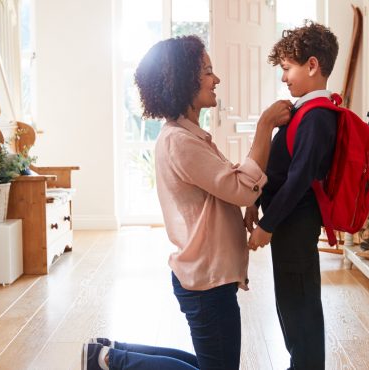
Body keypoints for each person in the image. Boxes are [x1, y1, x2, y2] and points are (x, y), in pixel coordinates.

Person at [82, 35, 292, 370]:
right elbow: (240, 188)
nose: (216, 79)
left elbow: (227, 187)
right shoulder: (181, 142)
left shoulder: (189, 136)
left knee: (211, 363)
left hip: (207, 275)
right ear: (183, 80)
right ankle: (110, 361)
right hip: (206, 279)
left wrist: (249, 202)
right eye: (208, 71)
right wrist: (265, 126)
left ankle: (111, 352)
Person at [244, 21, 340, 370]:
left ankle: (307, 365)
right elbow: (279, 166)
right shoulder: (302, 112)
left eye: (287, 69)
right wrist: (256, 201)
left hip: (296, 223)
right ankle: (299, 363)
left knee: (300, 303)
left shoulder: (317, 117)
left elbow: (299, 179)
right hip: (288, 223)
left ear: (312, 66)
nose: (283, 78)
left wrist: (268, 225)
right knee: (289, 298)